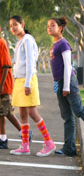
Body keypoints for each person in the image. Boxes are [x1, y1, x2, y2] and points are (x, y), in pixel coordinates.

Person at [9, 15, 56, 157]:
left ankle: (49, 143)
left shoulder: (28, 40)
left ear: (22, 24)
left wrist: (28, 83)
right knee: (23, 114)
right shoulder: (19, 42)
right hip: (19, 80)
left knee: (32, 113)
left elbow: (30, 62)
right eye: (11, 26)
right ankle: (25, 145)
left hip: (27, 80)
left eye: (15, 24)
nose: (13, 28)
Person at [0, 19, 32, 149]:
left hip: (3, 85)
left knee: (6, 111)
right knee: (0, 112)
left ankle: (25, 133)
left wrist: (1, 85)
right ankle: (3, 139)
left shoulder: (2, 43)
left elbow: (7, 66)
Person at [47, 17, 84, 156]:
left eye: (52, 25)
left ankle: (70, 147)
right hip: (60, 83)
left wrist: (66, 87)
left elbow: (68, 67)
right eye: (48, 26)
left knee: (79, 111)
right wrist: (59, 85)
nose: (49, 28)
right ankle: (69, 148)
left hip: (68, 83)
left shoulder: (63, 44)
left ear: (60, 28)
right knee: (67, 116)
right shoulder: (54, 44)